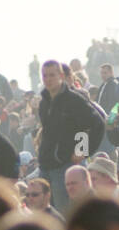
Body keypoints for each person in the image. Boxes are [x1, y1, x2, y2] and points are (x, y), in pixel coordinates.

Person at [38, 60, 105, 214]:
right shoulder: (44, 103)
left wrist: (82, 151)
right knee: (44, 214)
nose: (48, 79)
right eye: (45, 75)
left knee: (65, 214)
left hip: (65, 166)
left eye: (52, 75)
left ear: (61, 76)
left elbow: (95, 125)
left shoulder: (74, 100)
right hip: (45, 166)